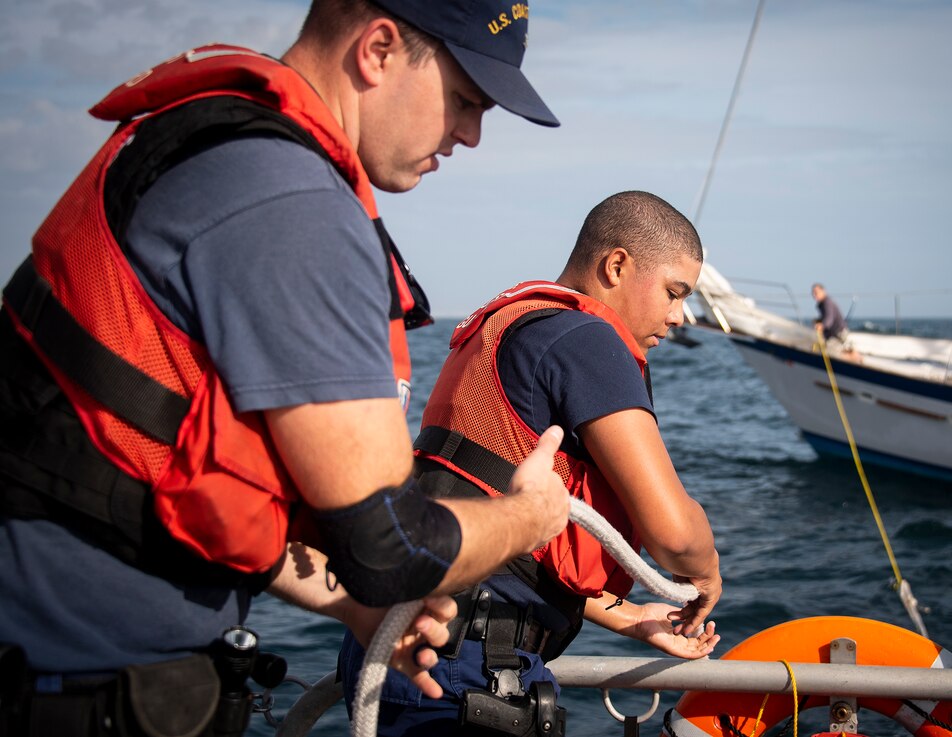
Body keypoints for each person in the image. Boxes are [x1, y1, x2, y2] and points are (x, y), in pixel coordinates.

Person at [0, 2, 572, 734]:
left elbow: (167, 467)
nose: (470, 134)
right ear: (379, 49)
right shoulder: (292, 201)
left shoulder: (222, 152)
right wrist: (530, 515)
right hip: (77, 691)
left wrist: (348, 605)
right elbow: (390, 548)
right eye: (464, 100)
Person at [339, 191, 723, 736]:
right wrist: (705, 572)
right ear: (616, 266)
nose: (678, 316)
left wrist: (632, 616)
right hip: (464, 672)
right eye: (673, 292)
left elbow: (501, 533)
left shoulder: (518, 327)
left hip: (400, 643)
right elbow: (672, 534)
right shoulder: (589, 337)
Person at [811, 282, 854, 353]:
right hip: (832, 333)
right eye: (813, 293)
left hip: (839, 334)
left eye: (816, 292)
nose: (814, 295)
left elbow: (829, 319)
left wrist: (822, 325)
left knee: (829, 350)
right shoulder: (821, 304)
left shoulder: (827, 303)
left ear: (823, 291)